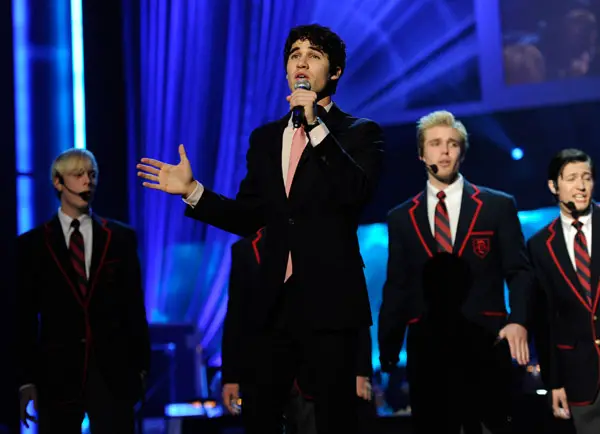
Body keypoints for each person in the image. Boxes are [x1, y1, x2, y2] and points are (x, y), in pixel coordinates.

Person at [137, 23, 384, 434]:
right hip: (271, 305)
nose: (301, 62)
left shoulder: (361, 133)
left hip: (329, 303)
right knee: (261, 418)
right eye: (294, 55)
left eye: (314, 55)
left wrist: (316, 126)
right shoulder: (266, 139)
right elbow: (250, 217)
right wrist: (193, 191)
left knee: (334, 421)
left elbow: (355, 193)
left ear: (335, 71)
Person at [378, 110, 533, 433]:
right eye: (435, 143)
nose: (445, 151)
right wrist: (388, 346)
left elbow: (519, 270)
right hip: (429, 350)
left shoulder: (497, 206)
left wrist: (518, 320)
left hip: (487, 344)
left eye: (452, 143)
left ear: (462, 152)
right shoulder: (401, 217)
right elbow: (397, 284)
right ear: (421, 154)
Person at [17, 149, 150, 434]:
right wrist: (26, 380)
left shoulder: (120, 238)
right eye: (78, 175)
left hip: (113, 374)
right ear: (58, 182)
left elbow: (134, 308)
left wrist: (141, 369)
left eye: (92, 175)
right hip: (57, 376)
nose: (87, 181)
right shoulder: (33, 245)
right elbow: (24, 318)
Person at [221, 229, 373, 434]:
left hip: (317, 370)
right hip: (263, 374)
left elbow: (354, 307)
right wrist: (230, 377)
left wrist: (361, 370)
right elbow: (236, 317)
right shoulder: (245, 250)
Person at [529, 149, 600, 433]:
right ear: (553, 186)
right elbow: (546, 319)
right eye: (571, 178)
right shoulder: (540, 246)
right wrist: (554, 381)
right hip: (579, 377)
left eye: (587, 177)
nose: (581, 186)